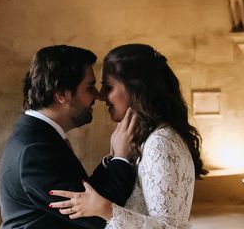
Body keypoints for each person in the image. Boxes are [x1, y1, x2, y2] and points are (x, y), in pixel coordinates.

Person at [50, 43, 207, 229]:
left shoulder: (160, 142)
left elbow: (168, 227)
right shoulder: (144, 138)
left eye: (108, 87)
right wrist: (116, 155)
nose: (100, 96)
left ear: (136, 89)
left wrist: (105, 209)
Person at [0, 45, 137, 228]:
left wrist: (112, 158)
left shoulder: (37, 134)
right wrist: (121, 159)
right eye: (90, 87)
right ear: (62, 94)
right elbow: (97, 217)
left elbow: (86, 192)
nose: (98, 95)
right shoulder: (35, 149)